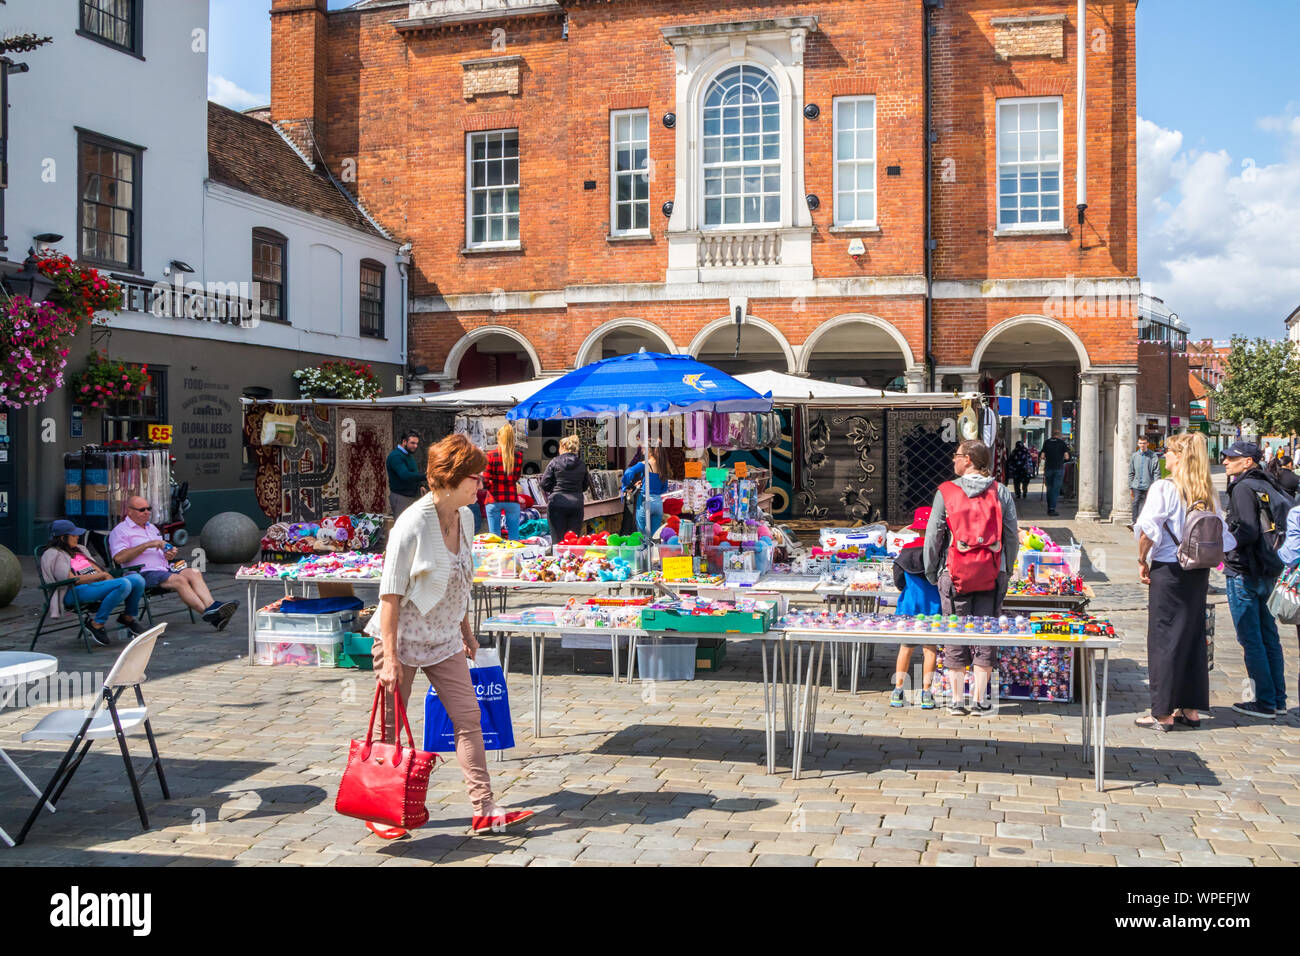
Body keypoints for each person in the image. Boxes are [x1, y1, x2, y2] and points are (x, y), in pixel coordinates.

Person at [368, 434, 533, 838]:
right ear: (451, 479)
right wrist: (389, 659)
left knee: (468, 718)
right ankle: (382, 811)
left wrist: (467, 634)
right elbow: (388, 599)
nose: (482, 485)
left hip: (444, 639)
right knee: (389, 729)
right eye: (476, 478)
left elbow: (459, 581)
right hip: (401, 640)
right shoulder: (410, 525)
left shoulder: (467, 517)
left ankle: (484, 807)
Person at [1133, 432, 1235, 730]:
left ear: (1179, 456)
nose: (1164, 456)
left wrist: (1142, 560)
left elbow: (1149, 531)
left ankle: (1162, 712)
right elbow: (1225, 540)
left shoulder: (1164, 488)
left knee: (1164, 639)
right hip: (1199, 572)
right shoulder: (1206, 493)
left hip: (1168, 569)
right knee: (1192, 637)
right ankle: (1190, 709)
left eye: (1168, 452)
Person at [924, 439, 1019, 716]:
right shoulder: (1000, 492)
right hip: (991, 571)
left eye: (956, 456)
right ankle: (980, 700)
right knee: (985, 631)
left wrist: (932, 569)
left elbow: (934, 535)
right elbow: (1011, 535)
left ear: (968, 460)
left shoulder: (946, 491)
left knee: (955, 631)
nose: (953, 461)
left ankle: (956, 700)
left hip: (955, 572)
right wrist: (1006, 568)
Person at [1222, 441, 1291, 719]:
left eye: (1231, 458)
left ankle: (1263, 701)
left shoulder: (1242, 488)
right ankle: (1277, 699)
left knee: (1251, 638)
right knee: (1269, 636)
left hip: (1245, 571)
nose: (1226, 462)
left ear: (1247, 462)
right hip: (1269, 570)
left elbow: (1247, 530)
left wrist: (1223, 547)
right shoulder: (1270, 484)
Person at [110, 496, 238, 629]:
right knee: (179, 580)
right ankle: (211, 615)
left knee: (194, 572)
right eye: (142, 510)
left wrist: (169, 554)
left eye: (149, 509)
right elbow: (119, 558)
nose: (147, 512)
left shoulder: (151, 527)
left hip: (164, 567)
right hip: (143, 572)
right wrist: (146, 545)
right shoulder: (120, 531)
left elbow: (162, 550)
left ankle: (212, 606)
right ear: (129, 511)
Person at [40, 519, 148, 646]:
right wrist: (102, 576)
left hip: (94, 586)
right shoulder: (54, 554)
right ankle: (97, 624)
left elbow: (98, 569)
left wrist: (104, 576)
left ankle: (128, 618)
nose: (77, 537)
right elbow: (69, 579)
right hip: (72, 592)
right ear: (63, 538)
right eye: (73, 535)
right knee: (123, 584)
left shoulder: (80, 549)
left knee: (138, 579)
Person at [891, 507, 941, 709]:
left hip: (910, 606)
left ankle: (898, 691)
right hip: (934, 606)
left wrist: (909, 589)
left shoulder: (905, 551)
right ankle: (926, 693)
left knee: (905, 648)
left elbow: (898, 580)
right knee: (930, 650)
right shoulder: (939, 551)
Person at [540, 433, 590, 544]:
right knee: (573, 540)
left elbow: (544, 483)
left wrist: (553, 489)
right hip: (576, 504)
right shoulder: (582, 464)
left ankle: (558, 559)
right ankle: (572, 560)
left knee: (557, 541)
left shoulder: (554, 462)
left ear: (562, 447)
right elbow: (585, 486)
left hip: (557, 503)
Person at [482, 425, 523, 539]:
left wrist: (490, 484)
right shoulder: (518, 456)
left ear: (499, 437)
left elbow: (485, 479)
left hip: (493, 498)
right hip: (511, 497)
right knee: (514, 537)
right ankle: (514, 556)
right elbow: (516, 477)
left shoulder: (490, 455)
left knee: (494, 538)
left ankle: (497, 556)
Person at [621, 445, 666, 536]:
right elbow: (664, 487)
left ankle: (645, 550)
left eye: (643, 448)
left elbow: (628, 472)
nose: (641, 451)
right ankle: (652, 550)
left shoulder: (645, 464)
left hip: (645, 501)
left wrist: (626, 486)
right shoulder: (662, 465)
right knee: (654, 537)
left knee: (642, 536)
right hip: (658, 503)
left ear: (649, 449)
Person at [386, 431, 425, 516]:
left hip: (410, 497)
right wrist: (427, 475)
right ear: (404, 441)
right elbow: (405, 476)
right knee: (403, 528)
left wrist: (420, 485)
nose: (415, 446)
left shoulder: (408, 455)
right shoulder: (396, 456)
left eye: (417, 443)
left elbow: (413, 472)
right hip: (401, 498)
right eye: (412, 443)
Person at [1128, 436, 1161, 529]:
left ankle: (1143, 522)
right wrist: (1131, 485)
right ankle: (1134, 522)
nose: (1142, 445)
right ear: (1138, 444)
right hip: (1136, 485)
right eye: (1140, 443)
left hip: (1148, 486)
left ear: (1147, 444)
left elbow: (1156, 472)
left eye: (1144, 443)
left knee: (1146, 504)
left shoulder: (1152, 456)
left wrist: (1155, 486)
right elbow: (1131, 472)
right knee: (1135, 502)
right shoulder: (1134, 456)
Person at [1040, 431, 1071, 516]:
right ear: (1059, 435)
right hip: (1058, 468)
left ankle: (1049, 506)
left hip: (1048, 468)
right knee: (1055, 489)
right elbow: (1067, 457)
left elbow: (1042, 456)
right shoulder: (1062, 443)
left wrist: (1048, 458)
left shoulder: (1046, 442)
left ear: (1052, 435)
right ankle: (1052, 509)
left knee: (1049, 488)